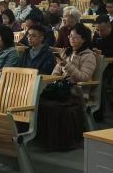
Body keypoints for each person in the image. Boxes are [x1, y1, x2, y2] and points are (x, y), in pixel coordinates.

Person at [38, 23, 97, 151]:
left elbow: (84, 77)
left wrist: (66, 65)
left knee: (54, 107)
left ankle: (59, 143)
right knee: (41, 103)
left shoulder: (89, 56)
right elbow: (56, 72)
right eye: (70, 36)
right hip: (62, 89)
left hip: (77, 92)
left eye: (75, 37)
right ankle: (46, 140)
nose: (71, 39)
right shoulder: (67, 53)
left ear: (84, 39)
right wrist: (56, 78)